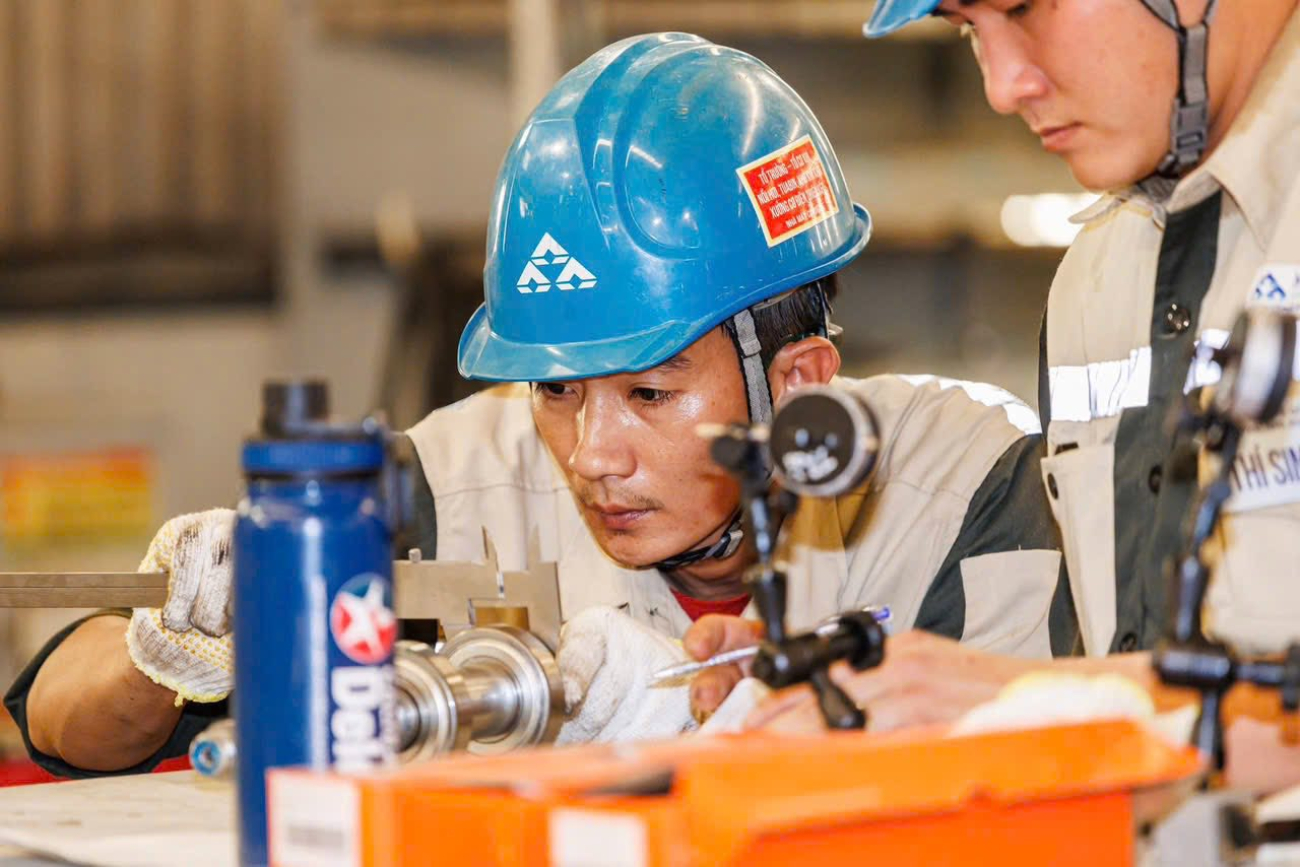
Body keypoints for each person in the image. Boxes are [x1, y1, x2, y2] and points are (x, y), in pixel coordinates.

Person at [6, 32, 1074, 777]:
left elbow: (1052, 781)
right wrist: (166, 653)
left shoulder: (960, 491)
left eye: (649, 391)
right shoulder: (450, 484)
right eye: (557, 388)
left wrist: (750, 726)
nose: (591, 452)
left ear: (795, 384)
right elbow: (53, 726)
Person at [687, 0, 1300, 790]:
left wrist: (1027, 702)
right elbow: (1125, 662)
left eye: (1023, 7)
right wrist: (863, 693)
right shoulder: (1098, 281)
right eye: (970, 29)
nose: (1003, 86)